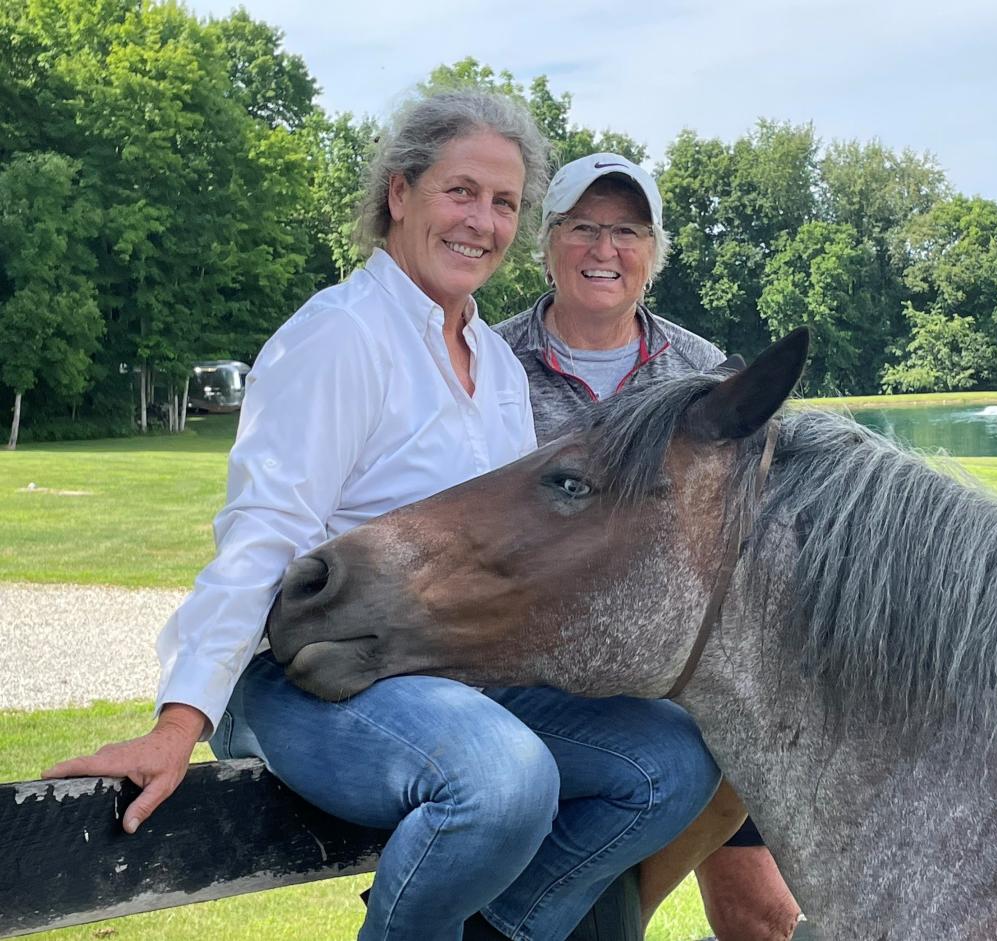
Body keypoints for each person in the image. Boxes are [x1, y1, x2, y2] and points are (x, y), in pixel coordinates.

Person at [44, 93, 720, 941]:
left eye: (504, 203)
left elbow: (519, 551)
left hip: (446, 668)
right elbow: (264, 532)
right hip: (308, 668)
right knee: (502, 779)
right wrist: (180, 721)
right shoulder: (338, 335)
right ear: (400, 193)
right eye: (461, 192)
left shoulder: (498, 369)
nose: (482, 221)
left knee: (668, 758)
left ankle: (511, 928)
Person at [495, 153, 805, 941]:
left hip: (675, 672)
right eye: (584, 228)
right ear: (549, 241)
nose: (605, 250)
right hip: (527, 670)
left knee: (766, 910)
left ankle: (605, 916)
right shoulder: (486, 364)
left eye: (627, 231)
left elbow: (755, 527)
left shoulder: (705, 373)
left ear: (653, 252)